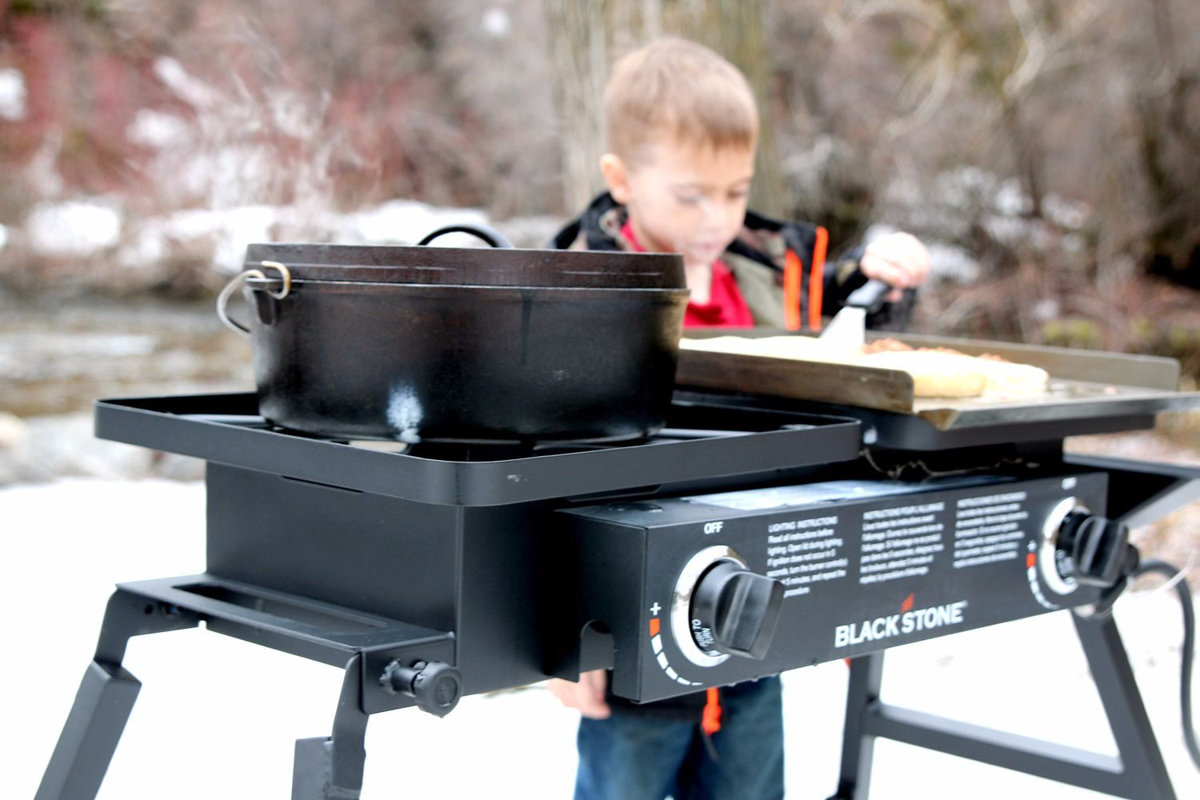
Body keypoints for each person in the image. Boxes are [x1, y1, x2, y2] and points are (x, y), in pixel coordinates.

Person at [549, 38, 931, 800]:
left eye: (734, 192)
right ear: (620, 180)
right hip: (633, 636)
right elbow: (552, 476)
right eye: (690, 195)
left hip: (761, 616)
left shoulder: (764, 271)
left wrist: (879, 280)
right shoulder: (576, 297)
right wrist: (566, 640)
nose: (716, 218)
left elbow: (838, 327)